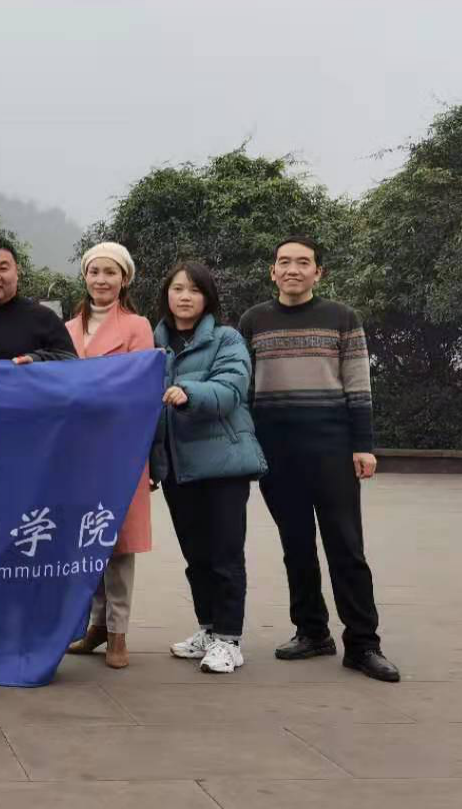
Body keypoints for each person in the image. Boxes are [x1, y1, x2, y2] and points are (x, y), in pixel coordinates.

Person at [239, 237, 401, 682]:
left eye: (303, 262)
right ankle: (312, 631)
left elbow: (358, 385)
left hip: (332, 448)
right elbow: (244, 388)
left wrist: (363, 445)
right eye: (284, 262)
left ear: (318, 272)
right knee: (296, 546)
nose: (293, 269)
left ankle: (363, 644)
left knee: (346, 547)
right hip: (276, 451)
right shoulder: (253, 321)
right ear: (272, 272)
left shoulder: (342, 318)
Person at [149, 262, 268, 675]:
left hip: (222, 466)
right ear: (166, 294)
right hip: (178, 468)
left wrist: (189, 392)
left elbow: (231, 388)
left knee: (225, 555)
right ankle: (208, 629)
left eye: (194, 290)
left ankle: (229, 640)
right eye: (178, 289)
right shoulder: (152, 344)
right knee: (195, 556)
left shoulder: (227, 339)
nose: (185, 297)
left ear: (208, 298)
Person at [65, 241, 153, 669]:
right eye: (94, 271)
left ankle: (118, 632)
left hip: (119, 447)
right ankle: (95, 627)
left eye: (110, 272)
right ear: (85, 276)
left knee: (118, 545)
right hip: (73, 450)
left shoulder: (137, 326)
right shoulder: (67, 328)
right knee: (85, 541)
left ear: (124, 279)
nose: (101, 280)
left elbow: (140, 386)